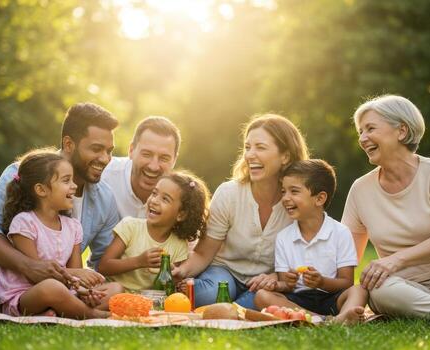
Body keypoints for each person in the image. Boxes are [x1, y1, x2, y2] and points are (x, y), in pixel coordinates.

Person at [0, 102, 120, 313]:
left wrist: (86, 285)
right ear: (69, 144)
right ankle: (1, 304)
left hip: (62, 282)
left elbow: (103, 259)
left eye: (109, 151)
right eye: (97, 149)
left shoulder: (104, 197)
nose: (105, 159)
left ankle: (46, 309)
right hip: (0, 267)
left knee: (114, 290)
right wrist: (28, 266)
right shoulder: (23, 172)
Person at [342, 94, 430, 319]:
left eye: (370, 128)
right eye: (360, 132)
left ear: (401, 131)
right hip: (404, 285)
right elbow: (346, 255)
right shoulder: (360, 189)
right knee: (379, 291)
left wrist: (393, 260)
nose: (363, 138)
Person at [173, 114, 309, 309]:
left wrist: (273, 278)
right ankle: (232, 307)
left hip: (265, 283)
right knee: (209, 295)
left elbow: (298, 262)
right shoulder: (230, 194)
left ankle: (235, 308)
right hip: (224, 273)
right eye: (247, 147)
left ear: (285, 156)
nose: (249, 155)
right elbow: (203, 253)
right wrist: (183, 270)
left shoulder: (297, 201)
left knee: (256, 301)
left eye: (260, 147)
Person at [0, 149, 122, 318]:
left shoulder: (73, 226)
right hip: (28, 294)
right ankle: (94, 315)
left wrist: (86, 291)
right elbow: (37, 274)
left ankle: (63, 311)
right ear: (41, 190)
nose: (74, 186)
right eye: (66, 180)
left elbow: (76, 273)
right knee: (51, 288)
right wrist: (76, 276)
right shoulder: (24, 223)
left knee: (116, 288)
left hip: (65, 289)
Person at [254, 160, 367, 324]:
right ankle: (322, 320)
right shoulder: (284, 237)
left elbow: (346, 282)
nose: (285, 198)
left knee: (359, 290)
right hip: (297, 300)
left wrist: (322, 282)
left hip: (331, 298)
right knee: (262, 296)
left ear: (319, 198)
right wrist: (283, 284)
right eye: (283, 191)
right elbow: (286, 285)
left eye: (294, 191)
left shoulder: (341, 233)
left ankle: (329, 317)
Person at [98, 171, 210, 292]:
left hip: (149, 302)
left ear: (181, 215)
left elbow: (169, 285)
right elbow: (103, 267)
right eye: (154, 193)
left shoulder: (178, 245)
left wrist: (176, 281)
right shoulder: (130, 227)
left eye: (165, 199)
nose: (154, 200)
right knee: (116, 288)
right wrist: (138, 261)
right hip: (116, 294)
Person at [101, 116, 180, 219]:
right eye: (147, 154)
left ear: (174, 160)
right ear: (131, 150)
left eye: (164, 158)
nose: (153, 167)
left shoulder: (181, 197)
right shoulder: (103, 175)